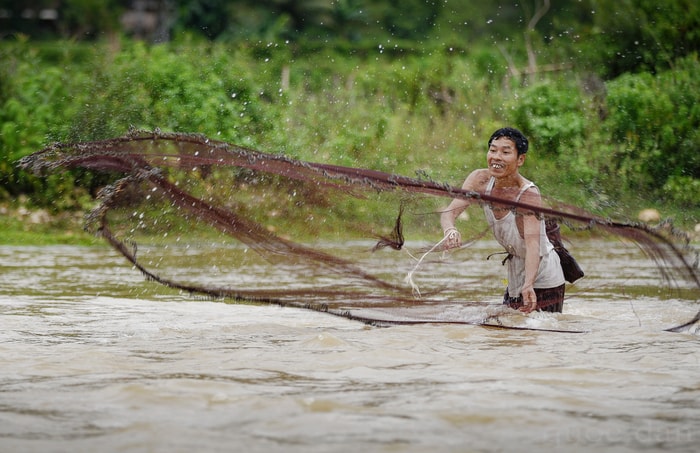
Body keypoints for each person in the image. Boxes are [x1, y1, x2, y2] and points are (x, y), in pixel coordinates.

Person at [440, 127, 566, 313]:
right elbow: (448, 213)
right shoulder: (479, 180)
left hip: (543, 276)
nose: (496, 157)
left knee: (537, 333)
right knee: (507, 331)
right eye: (492, 150)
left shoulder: (527, 194)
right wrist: (450, 230)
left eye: (505, 152)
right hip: (516, 271)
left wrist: (529, 283)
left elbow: (533, 245)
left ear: (520, 159)